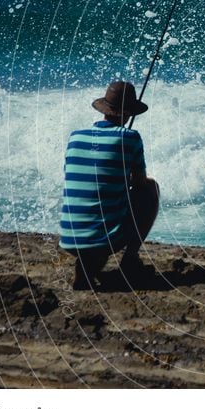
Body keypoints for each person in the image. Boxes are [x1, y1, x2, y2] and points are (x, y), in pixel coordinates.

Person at [59, 80, 160, 290]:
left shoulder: (76, 136)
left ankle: (87, 266)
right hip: (105, 239)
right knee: (151, 188)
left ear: (104, 109)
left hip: (68, 237)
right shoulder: (130, 138)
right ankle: (130, 259)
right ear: (129, 113)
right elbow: (140, 183)